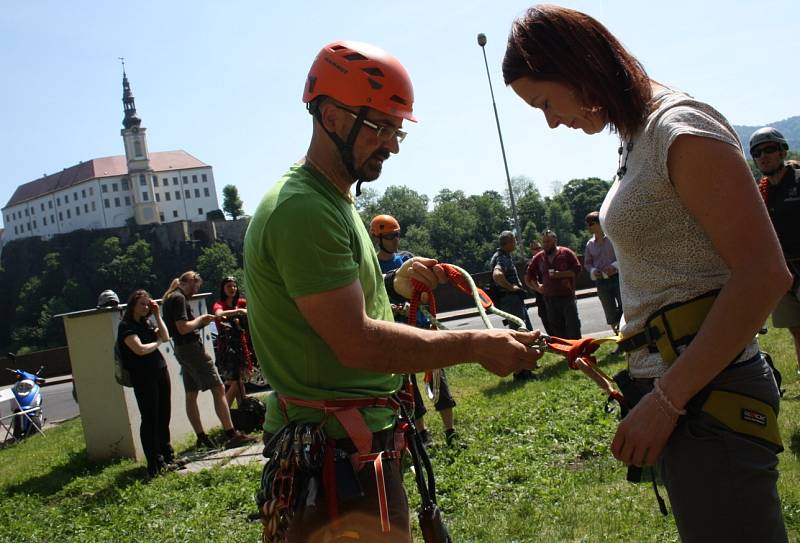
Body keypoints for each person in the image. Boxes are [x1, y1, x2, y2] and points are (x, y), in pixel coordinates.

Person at [504, 6, 791, 541]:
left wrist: (665, 400)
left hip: (707, 395)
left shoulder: (679, 127)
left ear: (578, 67)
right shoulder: (636, 138)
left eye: (544, 102)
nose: (550, 121)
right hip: (690, 393)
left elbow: (764, 275)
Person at [244, 40, 541, 542]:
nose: (394, 144)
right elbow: (355, 341)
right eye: (380, 127)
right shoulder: (304, 209)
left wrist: (390, 285)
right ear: (333, 117)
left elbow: (329, 307)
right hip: (336, 457)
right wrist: (472, 345)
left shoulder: (333, 201)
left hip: (349, 445)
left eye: (397, 130)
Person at [370, 214, 461, 448]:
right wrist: (392, 308)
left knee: (437, 375)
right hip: (396, 331)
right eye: (390, 236)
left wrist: (417, 300)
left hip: (419, 324)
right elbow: (371, 299)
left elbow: (423, 292)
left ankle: (450, 430)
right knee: (408, 384)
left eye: (398, 234)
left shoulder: (407, 261)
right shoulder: (372, 268)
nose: (396, 240)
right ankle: (422, 433)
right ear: (377, 238)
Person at [161, 271, 254, 449]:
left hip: (180, 349)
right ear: (188, 282)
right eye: (196, 287)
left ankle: (201, 436)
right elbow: (182, 327)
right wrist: (201, 320)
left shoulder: (169, 297)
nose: (195, 292)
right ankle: (231, 434)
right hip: (191, 348)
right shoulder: (179, 298)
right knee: (218, 387)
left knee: (191, 394)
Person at [750, 127, 800, 375]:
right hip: (782, 272)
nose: (763, 156)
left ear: (782, 151)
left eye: (769, 149)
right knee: (796, 328)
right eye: (757, 152)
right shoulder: (760, 193)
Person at [117, 289, 175, 478]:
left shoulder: (147, 322)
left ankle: (168, 456)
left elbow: (165, 336)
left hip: (160, 371)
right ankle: (154, 462)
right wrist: (157, 343)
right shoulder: (126, 326)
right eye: (142, 304)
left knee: (163, 414)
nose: (145, 307)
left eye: (147, 304)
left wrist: (158, 315)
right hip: (143, 376)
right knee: (150, 418)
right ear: (132, 305)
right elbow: (140, 349)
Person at [489, 231, 536, 381]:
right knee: (521, 336)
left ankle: (524, 369)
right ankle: (521, 372)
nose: (516, 243)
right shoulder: (501, 258)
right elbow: (497, 275)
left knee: (523, 333)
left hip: (512, 301)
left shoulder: (502, 256)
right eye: (514, 240)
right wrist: (511, 288)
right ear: (508, 242)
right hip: (511, 300)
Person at [525, 230, 582, 339]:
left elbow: (577, 270)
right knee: (557, 327)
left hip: (567, 296)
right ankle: (565, 351)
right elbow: (529, 275)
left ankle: (578, 350)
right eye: (544, 242)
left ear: (555, 240)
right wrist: (537, 287)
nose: (545, 244)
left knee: (573, 325)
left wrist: (560, 274)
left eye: (548, 241)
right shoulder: (539, 257)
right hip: (549, 299)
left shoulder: (566, 253)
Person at [212, 276, 251, 407]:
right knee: (235, 382)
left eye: (234, 286)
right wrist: (238, 311)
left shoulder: (241, 302)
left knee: (239, 382)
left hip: (241, 346)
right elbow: (219, 314)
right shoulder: (219, 304)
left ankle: (244, 413)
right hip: (228, 349)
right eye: (228, 286)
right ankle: (226, 416)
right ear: (223, 289)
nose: (232, 288)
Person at [584, 211, 623, 334]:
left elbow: (623, 255)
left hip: (618, 278)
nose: (589, 226)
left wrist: (614, 267)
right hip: (601, 283)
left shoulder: (613, 237)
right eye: (587, 224)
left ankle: (629, 335)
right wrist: (594, 271)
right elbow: (587, 263)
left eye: (591, 223)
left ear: (600, 223)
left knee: (625, 307)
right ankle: (618, 339)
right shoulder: (589, 244)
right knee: (609, 312)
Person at [526, 240, 553, 335]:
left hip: (552, 296)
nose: (538, 250)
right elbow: (527, 281)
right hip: (541, 298)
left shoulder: (546, 260)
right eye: (535, 249)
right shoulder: (530, 264)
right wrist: (538, 289)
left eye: (539, 248)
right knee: (547, 322)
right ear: (531, 251)